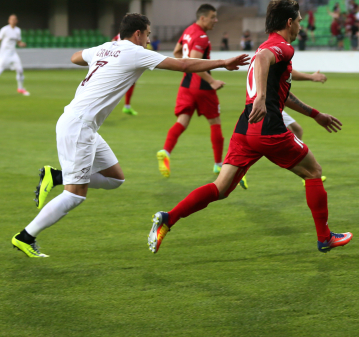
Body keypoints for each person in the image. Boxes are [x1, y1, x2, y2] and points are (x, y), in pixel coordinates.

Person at [12, 13, 248, 258]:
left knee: (115, 179)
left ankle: (57, 175)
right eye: (147, 35)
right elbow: (184, 65)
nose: (148, 40)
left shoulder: (106, 47)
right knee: (74, 195)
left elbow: (74, 57)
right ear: (138, 34)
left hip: (81, 124)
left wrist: (99, 59)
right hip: (78, 127)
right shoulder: (135, 52)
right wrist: (223, 62)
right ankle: (26, 236)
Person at [148, 0, 351, 256]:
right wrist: (262, 99)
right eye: (299, 21)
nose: (300, 26)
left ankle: (168, 218)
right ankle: (325, 237)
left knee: (220, 188)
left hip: (246, 127)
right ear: (289, 22)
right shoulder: (282, 48)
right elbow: (263, 60)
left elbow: (282, 94)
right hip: (269, 127)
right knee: (313, 172)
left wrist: (315, 114)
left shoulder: (270, 45)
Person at [157, 4, 229, 178]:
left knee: (182, 121)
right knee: (215, 122)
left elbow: (176, 52)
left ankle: (165, 152)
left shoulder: (188, 30)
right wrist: (211, 81)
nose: (216, 20)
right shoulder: (201, 36)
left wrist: (185, 66)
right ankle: (218, 165)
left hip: (186, 84)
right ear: (202, 18)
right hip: (202, 85)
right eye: (213, 17)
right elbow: (196, 63)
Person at [0, 14, 28, 97]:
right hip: (4, 53)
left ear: (17, 21)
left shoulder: (18, 30)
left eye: (14, 19)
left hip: (13, 53)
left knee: (20, 70)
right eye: (11, 19)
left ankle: (20, 88)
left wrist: (21, 44)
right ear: (9, 21)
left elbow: (18, 42)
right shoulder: (4, 29)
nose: (12, 21)